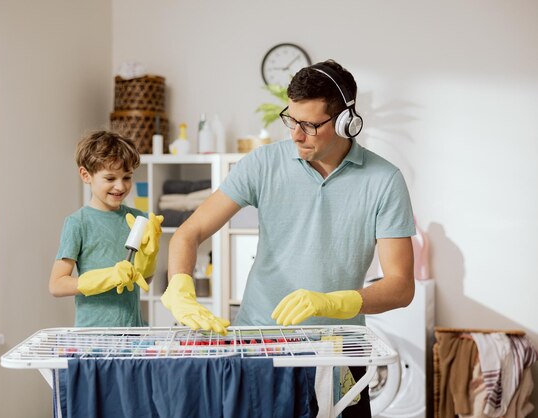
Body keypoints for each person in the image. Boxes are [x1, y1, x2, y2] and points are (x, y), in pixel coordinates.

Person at [160, 59, 415, 416]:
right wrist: (180, 287)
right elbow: (190, 232)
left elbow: (402, 286)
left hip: (339, 352)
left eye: (309, 125)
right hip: (260, 345)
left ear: (346, 122)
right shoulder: (263, 163)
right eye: (291, 120)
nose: (296, 134)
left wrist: (334, 303)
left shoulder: (384, 181)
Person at [49, 130, 163, 327]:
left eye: (127, 177)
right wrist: (106, 278)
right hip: (92, 337)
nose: (120, 186)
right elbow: (56, 285)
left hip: (132, 332)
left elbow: (144, 281)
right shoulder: (78, 223)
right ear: (86, 175)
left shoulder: (138, 219)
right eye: (110, 179)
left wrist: (148, 259)